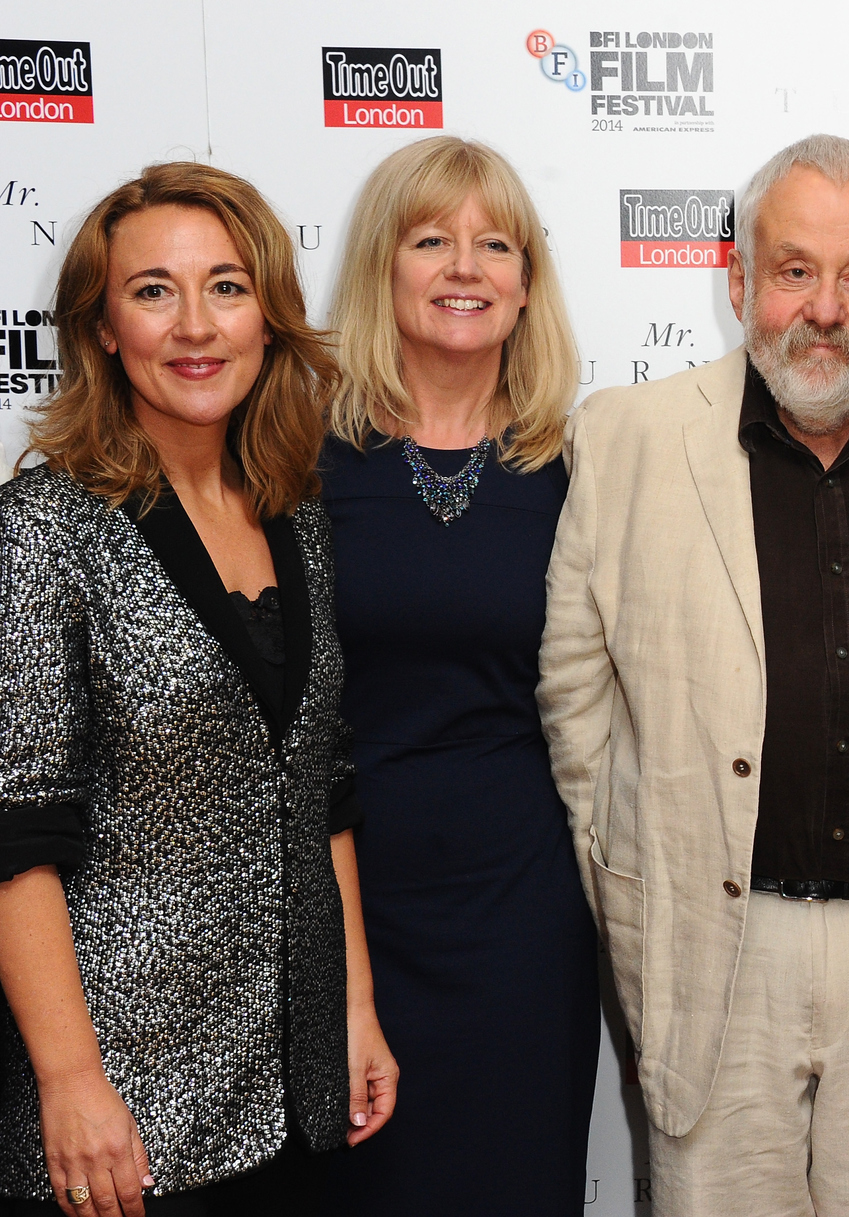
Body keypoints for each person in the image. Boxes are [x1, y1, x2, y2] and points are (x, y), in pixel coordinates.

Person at [538, 134, 849, 1216]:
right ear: (738, 275)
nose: (825, 309)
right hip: (716, 946)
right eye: (795, 269)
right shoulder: (627, 438)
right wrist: (630, 863)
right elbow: (575, 690)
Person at [0, 162, 397, 1216]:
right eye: (152, 290)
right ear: (100, 329)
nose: (195, 325)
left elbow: (323, 786)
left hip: (291, 1092)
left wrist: (353, 1004)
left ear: (267, 315)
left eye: (225, 286)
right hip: (123, 1114)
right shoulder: (45, 528)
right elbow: (13, 835)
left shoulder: (292, 509)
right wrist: (71, 1081)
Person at [316, 137, 596, 1215]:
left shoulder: (579, 469)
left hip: (525, 914)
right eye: (430, 239)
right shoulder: (301, 462)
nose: (464, 267)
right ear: (382, 269)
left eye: (495, 244)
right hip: (346, 903)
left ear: (527, 285)